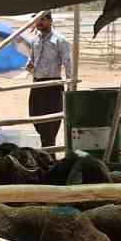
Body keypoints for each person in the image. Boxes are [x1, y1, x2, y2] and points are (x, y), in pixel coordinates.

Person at [25, 11, 72, 148]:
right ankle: (47, 149)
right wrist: (29, 65)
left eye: (42, 19)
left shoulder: (59, 40)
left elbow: (68, 63)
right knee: (35, 117)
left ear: (50, 21)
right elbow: (31, 60)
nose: (39, 23)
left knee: (51, 122)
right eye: (36, 20)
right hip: (37, 84)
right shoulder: (35, 41)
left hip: (53, 85)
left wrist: (69, 85)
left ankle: (49, 151)